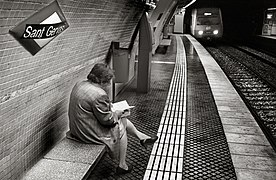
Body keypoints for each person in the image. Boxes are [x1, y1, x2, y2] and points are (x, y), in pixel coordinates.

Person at [66, 62, 158, 174]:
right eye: (108, 81)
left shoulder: (80, 84)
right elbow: (108, 120)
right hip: (87, 133)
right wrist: (117, 113)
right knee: (121, 127)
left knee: (122, 118)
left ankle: (142, 137)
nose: (109, 84)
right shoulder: (99, 94)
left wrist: (114, 112)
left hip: (80, 126)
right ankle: (122, 165)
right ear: (102, 80)